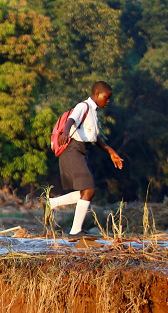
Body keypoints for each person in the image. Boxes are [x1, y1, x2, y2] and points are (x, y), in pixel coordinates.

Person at [49, 81, 124, 237]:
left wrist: (110, 151)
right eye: (106, 97)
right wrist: (65, 133)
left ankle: (51, 203)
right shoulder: (83, 106)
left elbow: (94, 138)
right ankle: (75, 231)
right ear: (97, 94)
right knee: (88, 190)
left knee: (87, 191)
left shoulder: (93, 112)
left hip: (81, 151)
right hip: (72, 150)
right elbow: (71, 120)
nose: (108, 101)